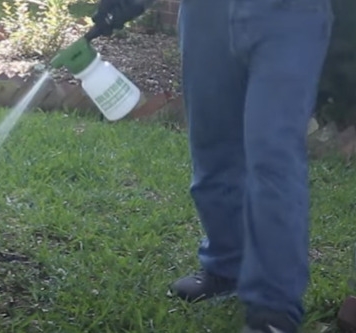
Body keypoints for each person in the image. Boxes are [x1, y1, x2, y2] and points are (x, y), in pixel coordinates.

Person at [85, 0, 334, 332]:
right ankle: (226, 265)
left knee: (273, 157)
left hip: (287, 15)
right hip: (207, 14)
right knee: (212, 145)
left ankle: (274, 310)